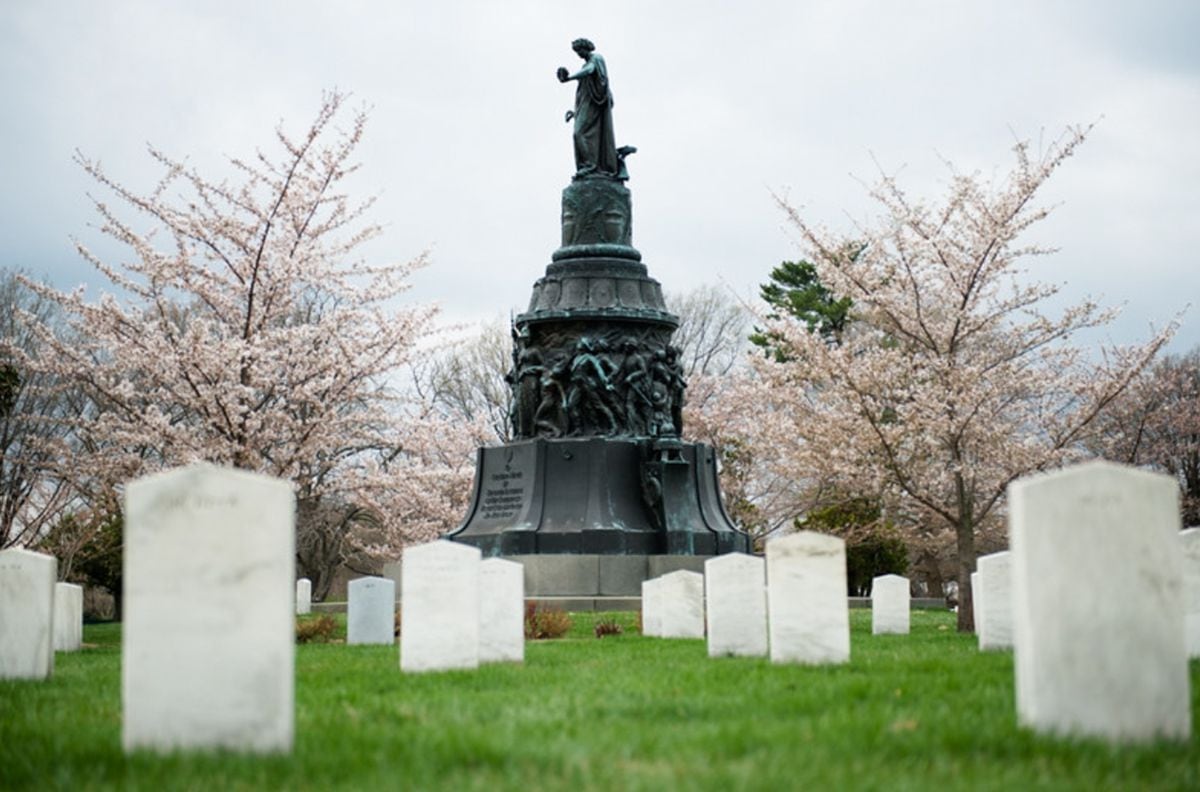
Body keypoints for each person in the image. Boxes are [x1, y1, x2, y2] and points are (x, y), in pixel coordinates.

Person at [557, 38, 620, 179]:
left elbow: (590, 70)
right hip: (586, 106)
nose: (578, 54)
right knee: (579, 134)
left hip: (596, 104)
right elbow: (583, 95)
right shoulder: (584, 67)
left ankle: (591, 165)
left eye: (579, 50)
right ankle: (588, 165)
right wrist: (575, 112)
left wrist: (569, 78)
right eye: (576, 51)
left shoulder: (596, 59)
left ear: (586, 48)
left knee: (579, 133)